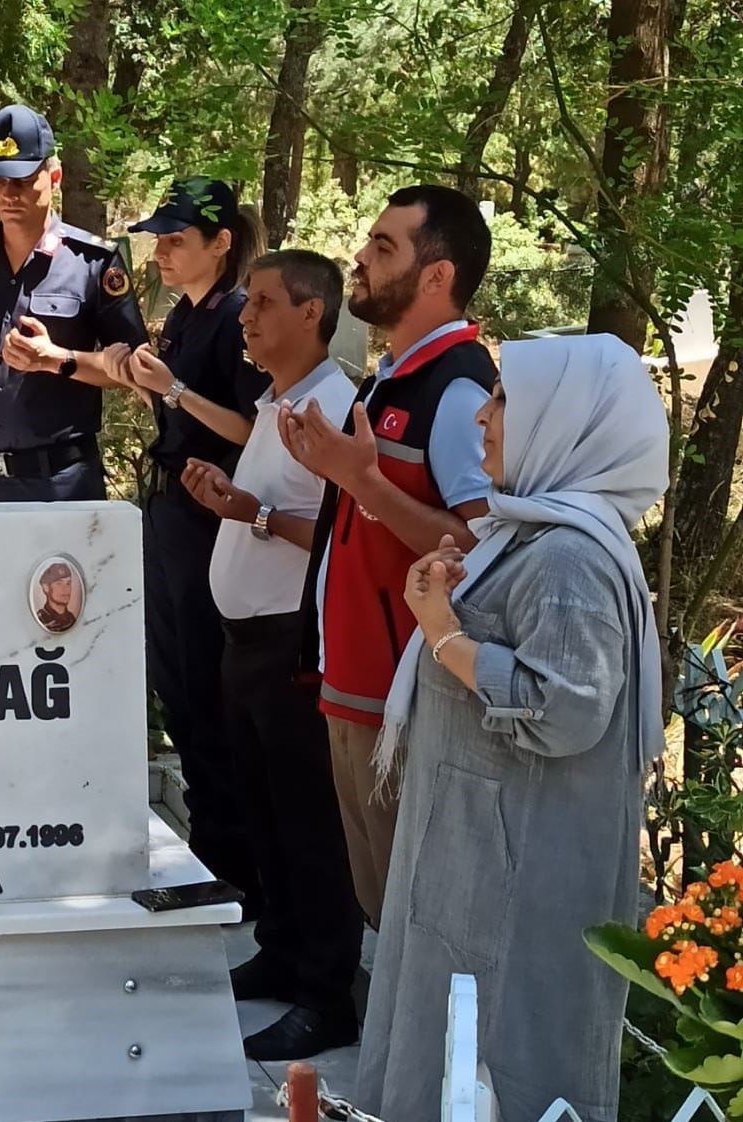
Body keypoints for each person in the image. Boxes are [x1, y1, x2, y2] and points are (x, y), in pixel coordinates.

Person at [357, 334, 666, 1122]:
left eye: (502, 402)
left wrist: (443, 635)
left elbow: (564, 710)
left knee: (501, 1060)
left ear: (565, 424)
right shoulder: (530, 534)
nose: (483, 421)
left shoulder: (570, 558)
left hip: (514, 876)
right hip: (475, 858)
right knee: (450, 1051)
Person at [279, 184, 496, 927]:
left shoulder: (459, 386)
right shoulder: (391, 376)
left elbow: (481, 548)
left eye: (383, 247)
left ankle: (416, 1047)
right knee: (383, 910)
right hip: (355, 684)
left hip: (406, 703)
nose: (360, 260)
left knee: (418, 914)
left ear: (437, 277)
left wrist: (358, 479)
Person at [180, 250, 362, 1061]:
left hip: (293, 638)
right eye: (246, 301)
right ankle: (282, 950)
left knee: (307, 818)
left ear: (311, 314)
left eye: (261, 303)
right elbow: (263, 511)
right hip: (245, 638)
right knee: (263, 809)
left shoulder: (331, 406)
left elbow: (336, 533)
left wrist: (249, 515)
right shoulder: (273, 400)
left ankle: (326, 994)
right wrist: (230, 503)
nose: (245, 317)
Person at [104, 177, 269, 911]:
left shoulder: (239, 320)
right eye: (158, 239)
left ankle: (234, 866)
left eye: (177, 240)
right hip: (167, 511)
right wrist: (131, 376)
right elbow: (173, 408)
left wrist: (170, 391)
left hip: (212, 521)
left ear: (221, 243)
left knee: (208, 689)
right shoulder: (184, 315)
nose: (161, 252)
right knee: (176, 685)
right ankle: (212, 861)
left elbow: (247, 428)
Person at [0, 104, 149, 502]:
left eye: (23, 181)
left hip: (59, 482)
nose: (8, 194)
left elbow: (133, 369)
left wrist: (56, 359)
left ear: (55, 176)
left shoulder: (92, 263)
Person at [34, 561, 79, 632]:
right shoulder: (42, 619)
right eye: (59, 584)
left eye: (68, 583)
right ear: (46, 587)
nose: (65, 589)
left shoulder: (71, 619)